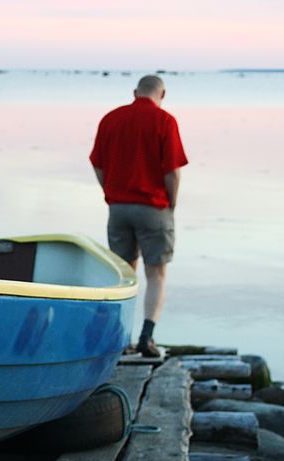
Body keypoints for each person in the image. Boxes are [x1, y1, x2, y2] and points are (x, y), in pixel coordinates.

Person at [89, 75, 188, 357]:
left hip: (118, 208)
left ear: (135, 92)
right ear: (163, 94)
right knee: (156, 274)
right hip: (153, 207)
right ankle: (147, 337)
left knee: (124, 275)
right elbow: (172, 171)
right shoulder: (164, 121)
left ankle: (119, 340)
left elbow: (97, 165)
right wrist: (172, 204)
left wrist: (110, 193)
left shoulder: (111, 119)